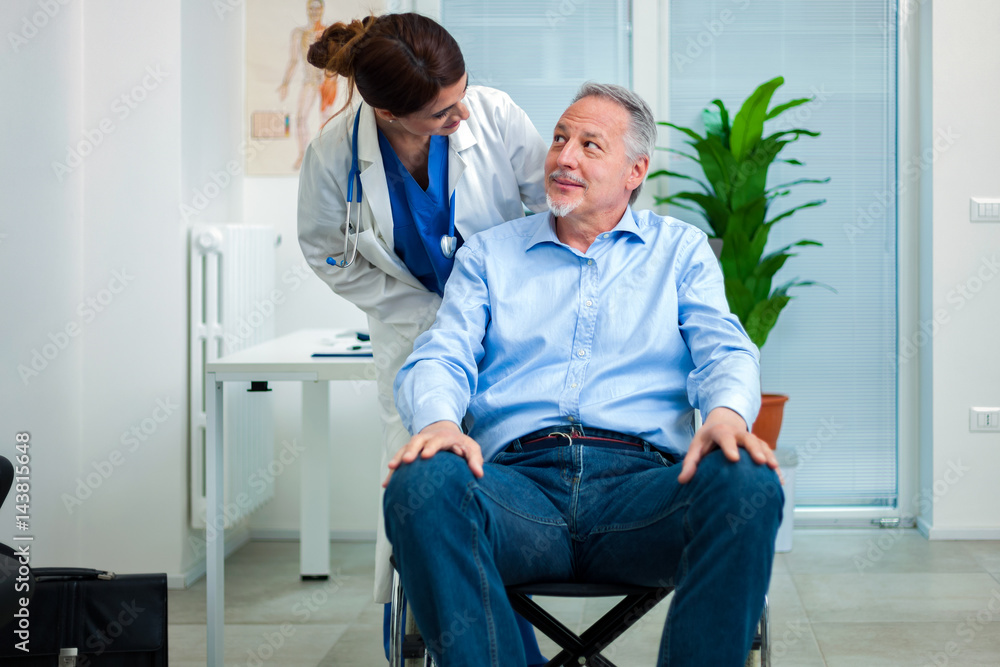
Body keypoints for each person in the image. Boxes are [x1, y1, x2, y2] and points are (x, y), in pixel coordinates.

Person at [384, 83, 784, 666]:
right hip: (517, 492)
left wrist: (724, 414)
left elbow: (724, 349)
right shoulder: (490, 254)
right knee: (420, 485)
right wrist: (441, 421)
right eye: (560, 139)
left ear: (634, 171)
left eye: (590, 145)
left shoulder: (680, 251)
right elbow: (443, 352)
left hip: (643, 494)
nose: (564, 157)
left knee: (748, 481)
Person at [295, 11, 550, 662]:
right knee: (426, 502)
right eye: (441, 114)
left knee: (497, 500)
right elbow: (326, 252)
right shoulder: (335, 154)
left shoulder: (493, 116)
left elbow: (554, 205)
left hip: (506, 343)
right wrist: (417, 310)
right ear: (388, 113)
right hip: (414, 345)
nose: (460, 118)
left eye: (460, 98)